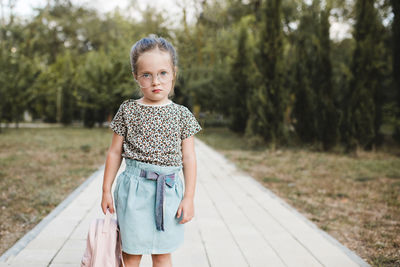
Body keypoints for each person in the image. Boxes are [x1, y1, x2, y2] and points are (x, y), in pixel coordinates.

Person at [100, 34, 202, 267]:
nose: (156, 81)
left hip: (168, 191)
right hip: (133, 190)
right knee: (131, 252)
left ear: (173, 73)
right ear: (136, 77)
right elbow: (115, 153)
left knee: (162, 253)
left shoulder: (182, 114)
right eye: (147, 75)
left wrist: (189, 198)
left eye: (162, 73)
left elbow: (189, 158)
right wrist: (106, 189)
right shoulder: (127, 110)